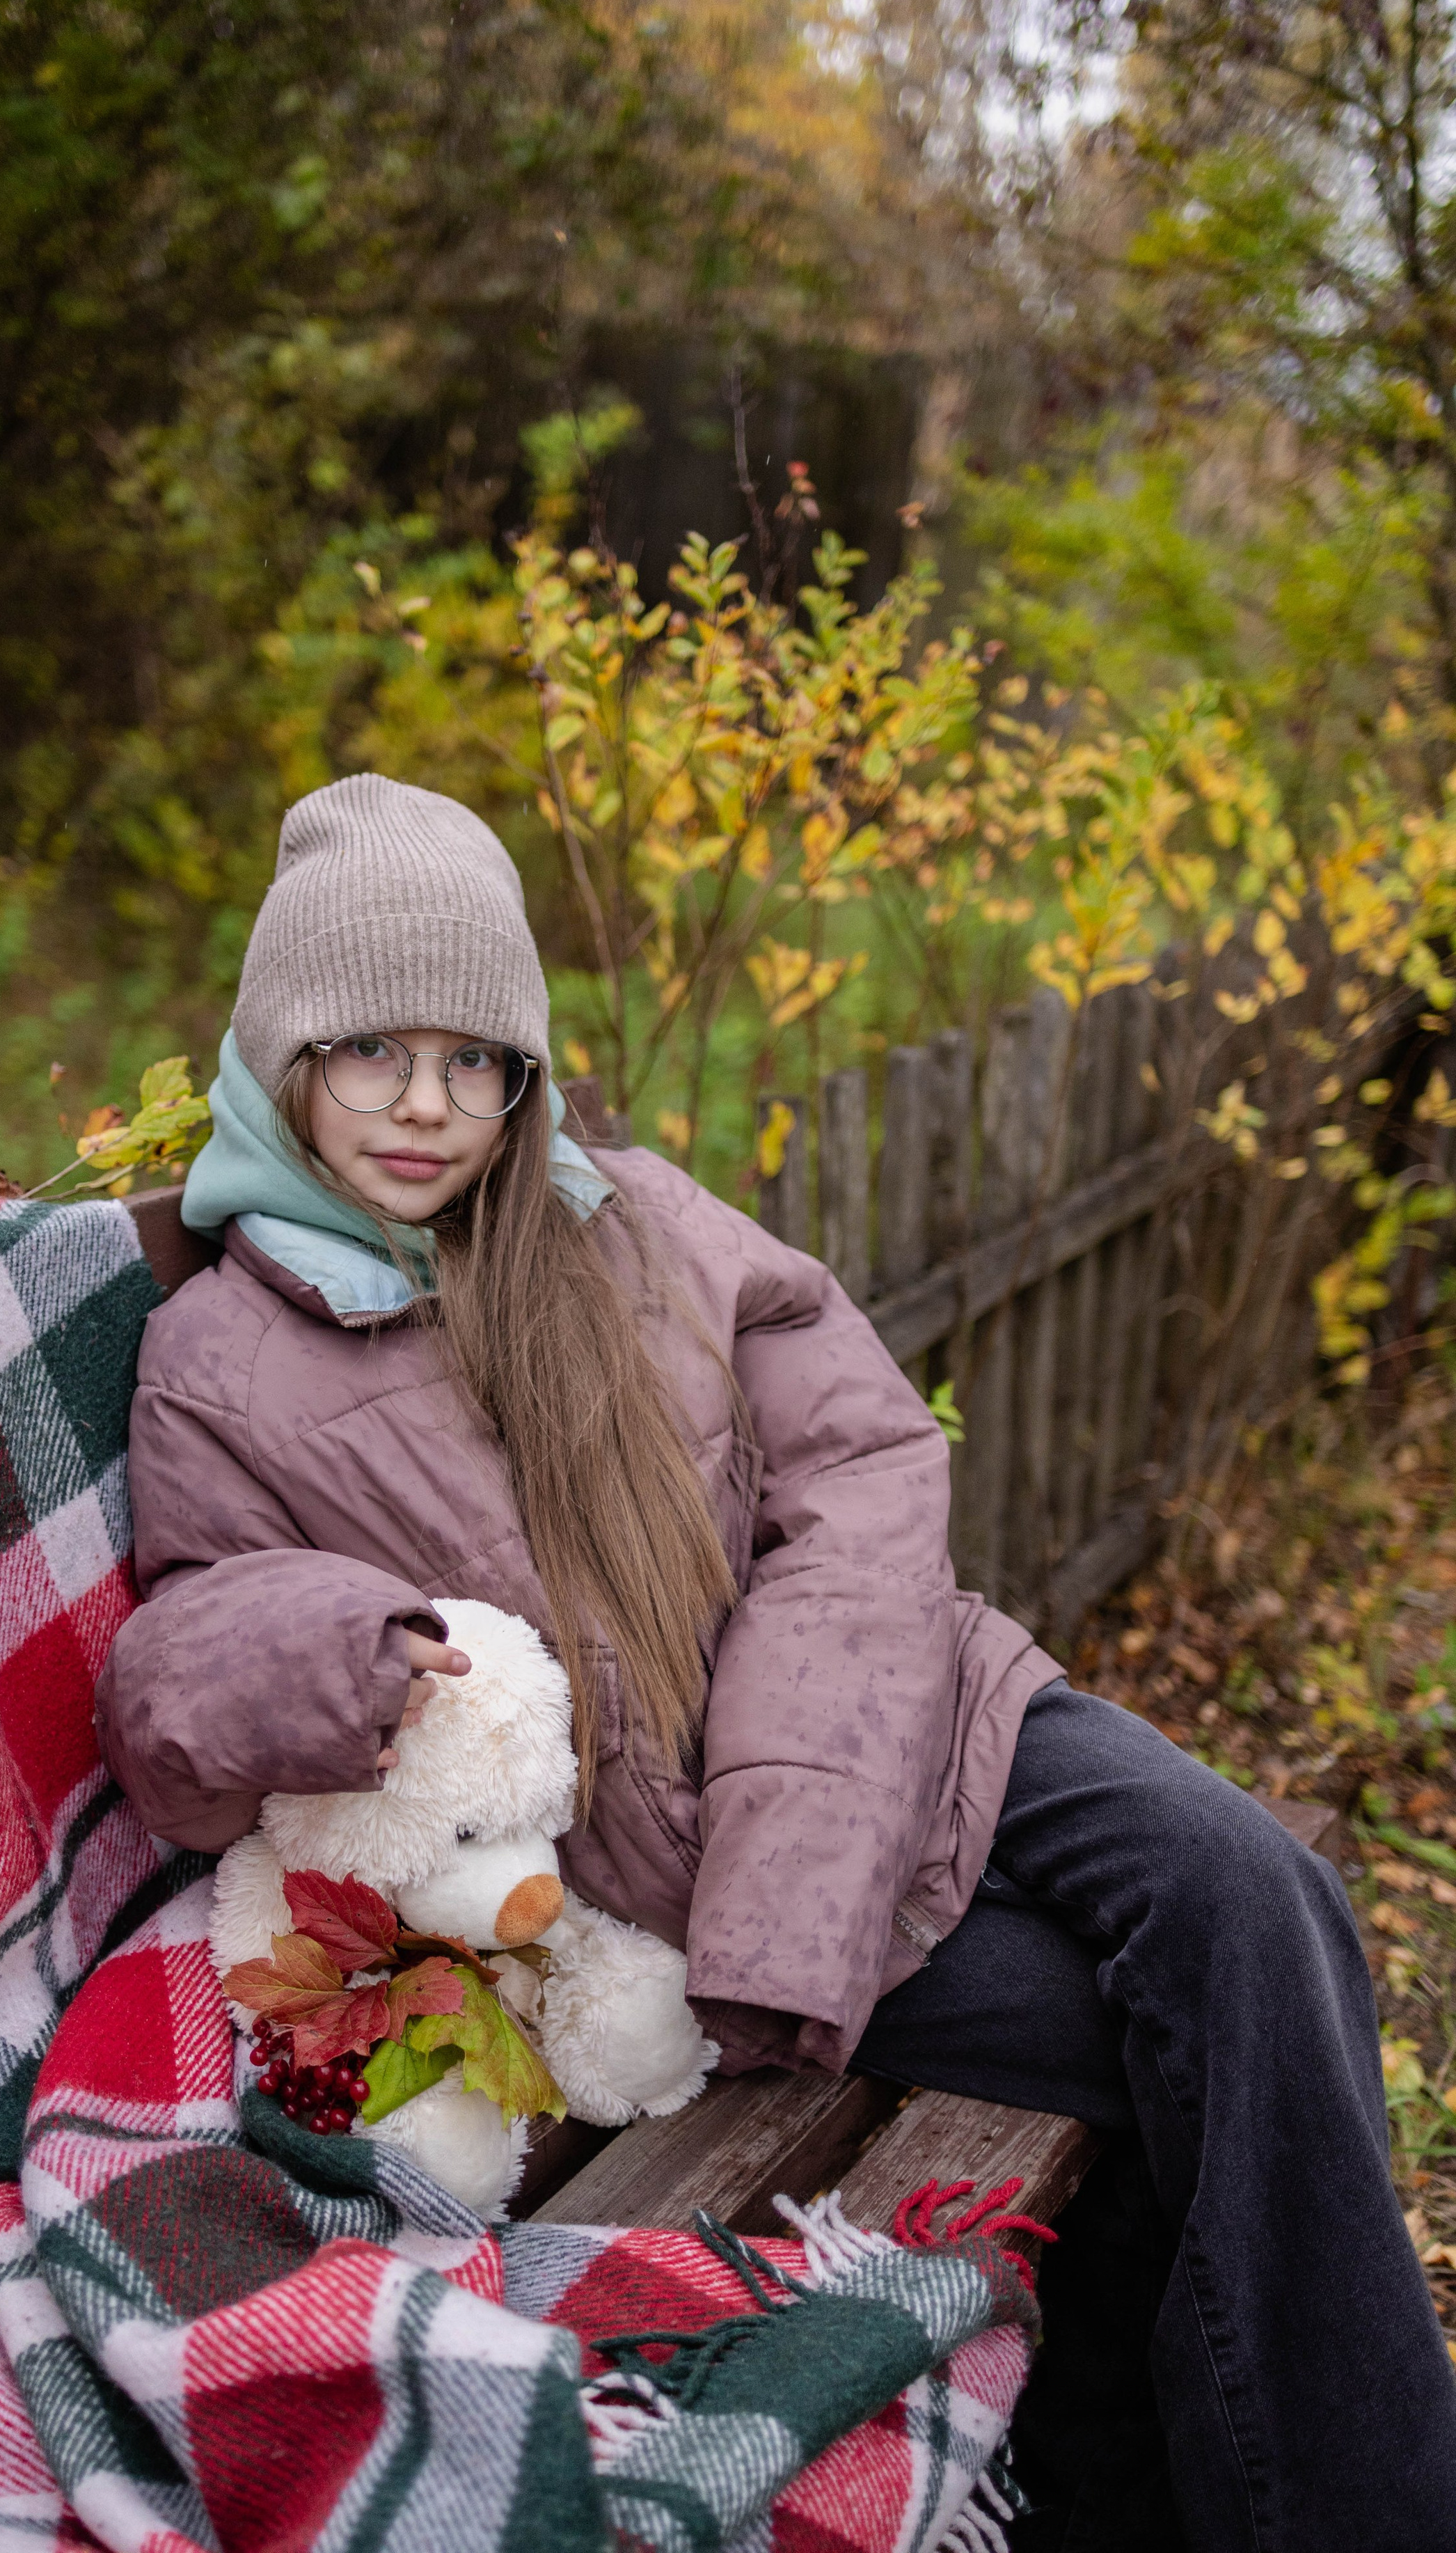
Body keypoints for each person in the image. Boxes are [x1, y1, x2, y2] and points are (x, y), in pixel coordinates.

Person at [96, 772, 1456, 2552]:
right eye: (371, 1054)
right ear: (282, 1059)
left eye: (474, 1059)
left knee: (1250, 1892)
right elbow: (177, 1672)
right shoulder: (221, 1355)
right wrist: (330, 1645)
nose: (427, 1108)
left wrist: (802, 1834)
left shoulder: (628, 1224)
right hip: (656, 1884)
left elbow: (865, 1467)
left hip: (907, 1712)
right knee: (1160, 2043)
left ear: (528, 1072)